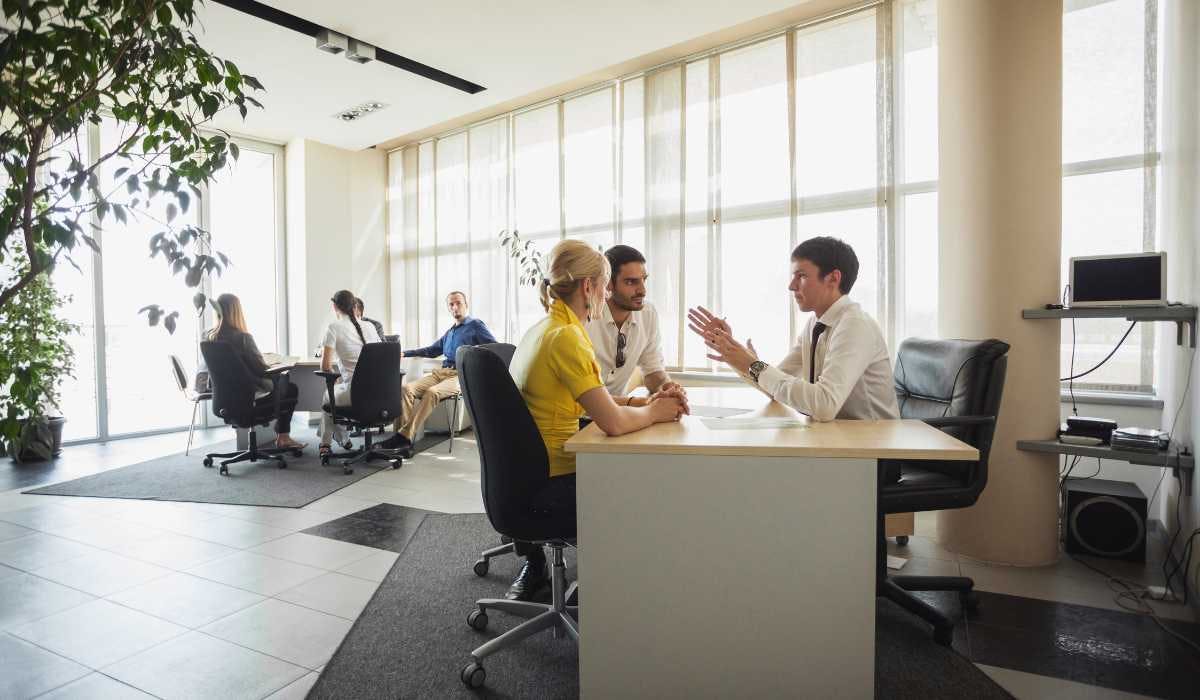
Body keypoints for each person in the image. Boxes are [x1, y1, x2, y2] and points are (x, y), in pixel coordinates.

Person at [505, 239, 686, 602]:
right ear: (589, 287)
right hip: (553, 477)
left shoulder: (544, 329)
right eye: (605, 285)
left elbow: (586, 398)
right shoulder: (570, 336)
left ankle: (602, 579)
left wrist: (641, 400)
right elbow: (614, 424)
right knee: (648, 488)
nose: (604, 295)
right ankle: (610, 592)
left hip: (528, 471)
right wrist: (656, 411)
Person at [687, 236, 899, 422]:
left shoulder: (854, 325)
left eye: (802, 276)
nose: (791, 286)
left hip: (874, 453)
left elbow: (824, 405)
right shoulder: (815, 325)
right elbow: (773, 388)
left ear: (833, 278)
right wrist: (733, 353)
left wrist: (753, 363)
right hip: (839, 442)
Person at [380, 291, 496, 447]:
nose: (455, 307)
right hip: (441, 373)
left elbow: (493, 348)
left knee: (432, 393)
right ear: (448, 308)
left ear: (466, 305)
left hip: (460, 375)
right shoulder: (450, 332)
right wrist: (404, 353)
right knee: (406, 389)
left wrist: (476, 368)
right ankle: (403, 438)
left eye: (458, 303)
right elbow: (431, 350)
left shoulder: (476, 325)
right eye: (451, 304)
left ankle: (403, 437)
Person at [586, 245, 686, 406]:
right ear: (608, 283)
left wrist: (666, 387)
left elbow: (653, 370)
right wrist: (641, 403)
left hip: (619, 413)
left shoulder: (648, 313)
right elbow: (582, 398)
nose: (642, 291)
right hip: (581, 419)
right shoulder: (585, 316)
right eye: (631, 282)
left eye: (643, 280)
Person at [204, 293, 306, 450]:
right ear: (236, 312)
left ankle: (282, 438)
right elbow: (262, 369)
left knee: (283, 384)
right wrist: (277, 364)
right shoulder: (243, 338)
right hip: (250, 398)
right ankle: (283, 437)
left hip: (224, 401)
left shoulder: (210, 337)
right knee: (290, 387)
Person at [319, 289, 383, 458]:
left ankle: (326, 443)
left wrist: (338, 376)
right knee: (337, 390)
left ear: (334, 307)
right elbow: (379, 356)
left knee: (328, 395)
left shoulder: (334, 327)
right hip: (380, 393)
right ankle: (342, 439)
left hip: (356, 395)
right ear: (355, 306)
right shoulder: (370, 326)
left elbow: (325, 366)